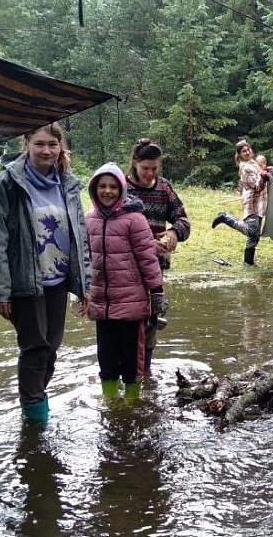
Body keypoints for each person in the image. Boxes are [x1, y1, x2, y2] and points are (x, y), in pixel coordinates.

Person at [0, 122, 90, 423]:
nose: (46, 150)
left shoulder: (67, 184)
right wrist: (0, 291)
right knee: (35, 349)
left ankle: (34, 403)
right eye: (40, 144)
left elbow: (80, 235)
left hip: (57, 280)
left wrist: (85, 284)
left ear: (60, 148)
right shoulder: (7, 183)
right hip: (24, 281)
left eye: (52, 145)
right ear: (26, 143)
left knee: (52, 350)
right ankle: (35, 421)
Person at [85, 163, 167, 404]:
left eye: (113, 186)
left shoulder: (135, 219)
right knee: (106, 358)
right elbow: (84, 259)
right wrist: (80, 292)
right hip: (101, 305)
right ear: (94, 189)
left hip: (132, 306)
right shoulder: (88, 220)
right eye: (102, 186)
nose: (107, 191)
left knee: (132, 360)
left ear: (121, 189)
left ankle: (132, 403)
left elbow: (148, 260)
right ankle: (110, 403)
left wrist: (157, 294)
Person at [125, 138, 191, 376]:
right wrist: (144, 244)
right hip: (125, 268)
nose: (150, 174)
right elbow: (111, 229)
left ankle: (146, 372)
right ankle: (129, 372)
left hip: (155, 268)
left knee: (152, 316)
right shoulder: (121, 188)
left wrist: (174, 231)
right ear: (134, 164)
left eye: (155, 168)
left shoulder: (164, 188)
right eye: (145, 169)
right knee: (129, 319)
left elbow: (184, 220)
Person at [211, 139, 270, 266]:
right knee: (252, 231)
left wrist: (267, 172)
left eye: (248, 149)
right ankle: (225, 218)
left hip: (259, 203)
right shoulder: (245, 167)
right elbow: (256, 185)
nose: (247, 152)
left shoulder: (253, 163)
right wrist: (264, 177)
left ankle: (248, 263)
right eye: (244, 151)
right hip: (252, 204)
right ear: (240, 155)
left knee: (254, 236)